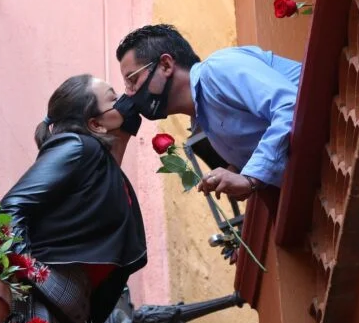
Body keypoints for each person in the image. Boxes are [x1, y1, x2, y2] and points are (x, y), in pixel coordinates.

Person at [0, 74, 147, 323]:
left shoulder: (101, 163)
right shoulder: (76, 145)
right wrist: (30, 271)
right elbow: (12, 207)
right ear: (95, 123)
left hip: (73, 310)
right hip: (47, 294)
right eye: (113, 99)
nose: (123, 103)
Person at [116, 24, 301, 200]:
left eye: (133, 79)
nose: (130, 93)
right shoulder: (202, 118)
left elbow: (290, 106)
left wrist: (251, 178)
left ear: (166, 65)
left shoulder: (218, 69)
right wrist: (237, 171)